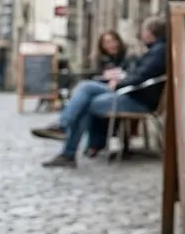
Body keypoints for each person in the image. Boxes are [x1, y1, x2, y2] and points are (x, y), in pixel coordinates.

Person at [38, 17, 167, 167]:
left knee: (86, 96)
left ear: (150, 33)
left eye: (144, 30)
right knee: (86, 89)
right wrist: (120, 78)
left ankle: (66, 139)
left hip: (136, 99)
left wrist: (119, 83)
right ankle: (66, 134)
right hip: (130, 93)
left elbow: (140, 76)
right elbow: (138, 74)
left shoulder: (158, 52)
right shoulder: (155, 50)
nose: (142, 34)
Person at [33, 30, 131, 139]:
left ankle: (63, 126)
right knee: (82, 102)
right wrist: (104, 76)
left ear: (118, 41)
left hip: (119, 92)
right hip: (102, 90)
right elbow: (96, 76)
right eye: (106, 42)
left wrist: (119, 79)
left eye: (112, 41)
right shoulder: (101, 60)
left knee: (85, 89)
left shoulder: (128, 57)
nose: (110, 45)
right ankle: (67, 137)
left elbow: (132, 76)